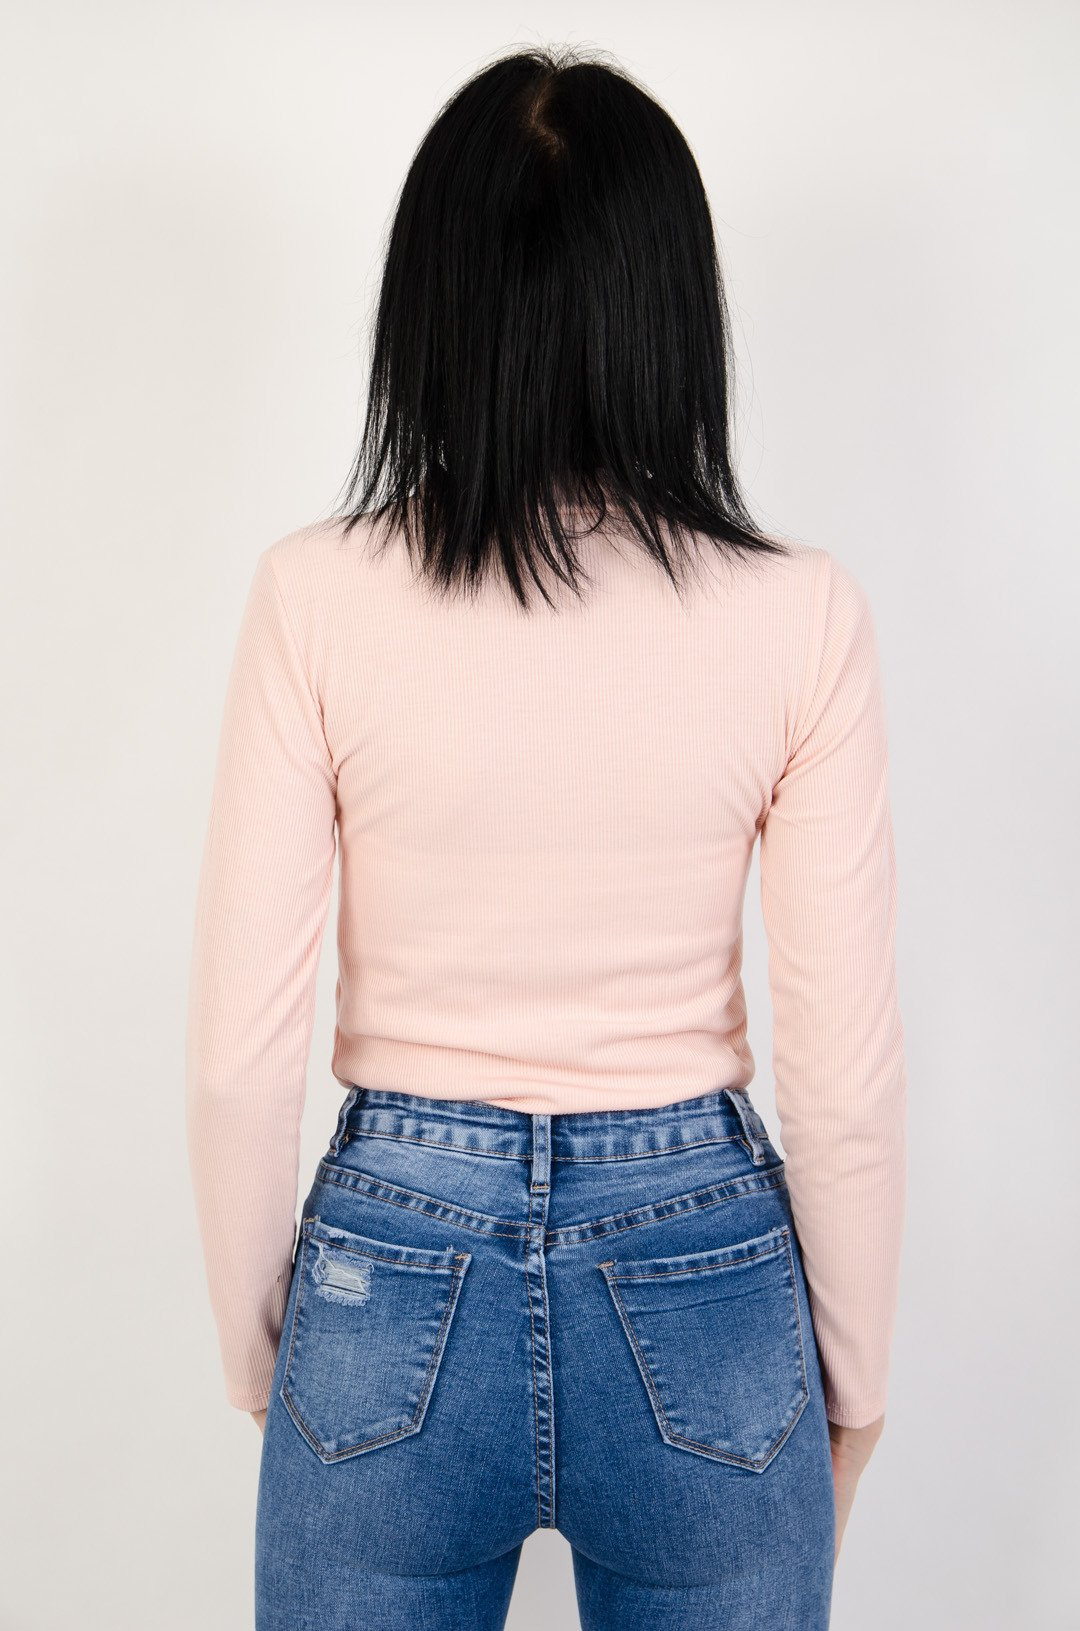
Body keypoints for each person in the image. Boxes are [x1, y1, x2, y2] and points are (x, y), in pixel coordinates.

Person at [185, 44, 906, 1631]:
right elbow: (845, 1078)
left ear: (433, 306)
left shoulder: (314, 598)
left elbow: (241, 1062)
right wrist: (851, 1385)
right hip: (705, 1275)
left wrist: (266, 1362)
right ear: (670, 305)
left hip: (392, 1261)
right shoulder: (800, 617)